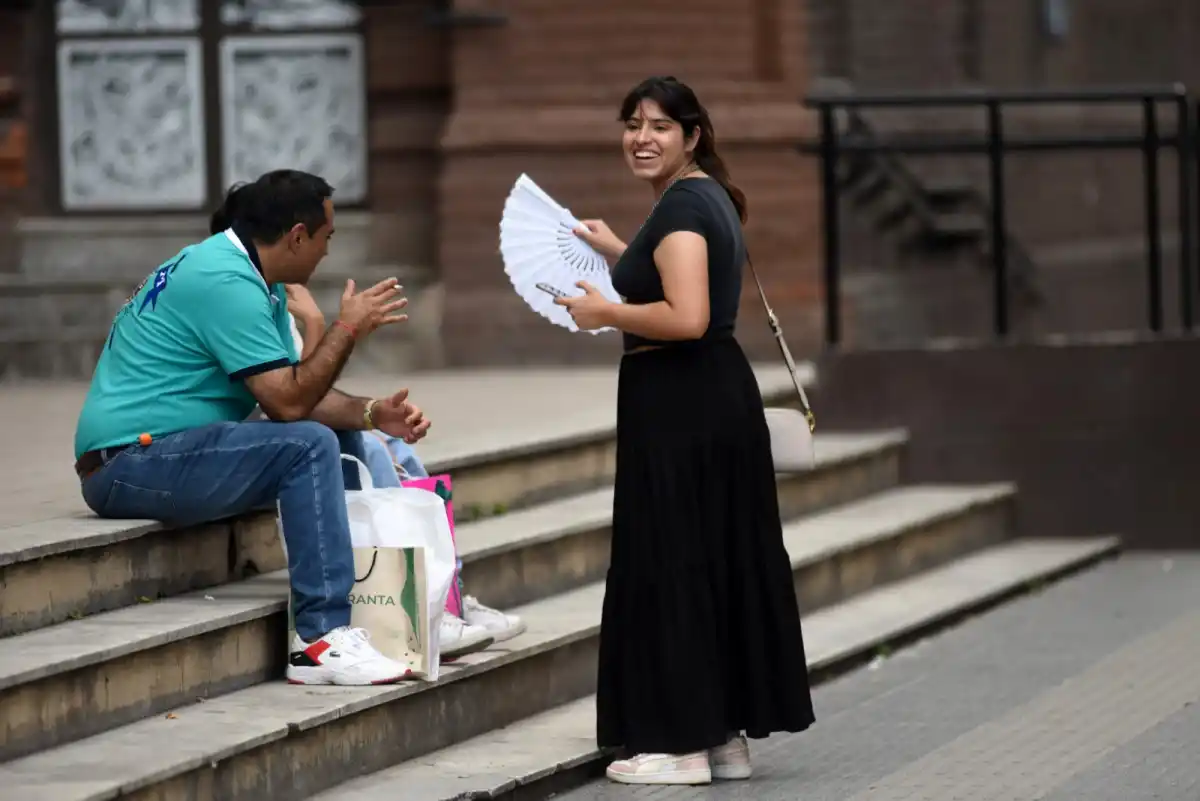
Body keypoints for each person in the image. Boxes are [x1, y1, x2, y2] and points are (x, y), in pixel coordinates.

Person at [74, 169, 432, 687]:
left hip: (166, 452)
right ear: (296, 236)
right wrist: (346, 329)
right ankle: (319, 639)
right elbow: (288, 405)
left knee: (339, 438)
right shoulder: (223, 280)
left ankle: (380, 611)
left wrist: (374, 413)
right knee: (308, 444)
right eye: (327, 238)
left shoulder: (249, 278)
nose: (328, 253)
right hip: (128, 462)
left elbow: (299, 391)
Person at [555, 76, 816, 785]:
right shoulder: (706, 198)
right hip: (709, 398)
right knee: (715, 557)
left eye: (660, 127)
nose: (642, 137)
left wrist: (606, 312)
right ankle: (724, 738)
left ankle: (683, 746)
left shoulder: (681, 210)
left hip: (680, 401)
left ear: (692, 135)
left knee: (675, 559)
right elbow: (679, 285)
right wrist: (618, 249)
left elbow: (688, 316)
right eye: (632, 123)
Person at [283, 287, 527, 654]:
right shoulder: (241, 295)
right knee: (373, 450)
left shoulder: (274, 295)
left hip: (294, 420)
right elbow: (293, 398)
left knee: (400, 451)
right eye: (323, 239)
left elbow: (308, 384)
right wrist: (327, 326)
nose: (324, 251)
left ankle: (445, 600)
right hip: (266, 431)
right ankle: (418, 607)